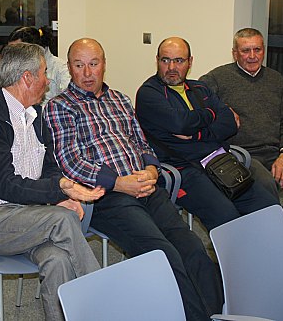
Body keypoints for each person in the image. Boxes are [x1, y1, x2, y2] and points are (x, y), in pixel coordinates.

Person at [44, 38, 223, 321]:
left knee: (192, 247)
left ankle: (217, 315)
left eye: (94, 64)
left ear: (104, 65)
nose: (87, 73)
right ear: (69, 67)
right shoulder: (60, 107)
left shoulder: (119, 99)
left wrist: (151, 170)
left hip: (145, 186)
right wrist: (118, 182)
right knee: (163, 254)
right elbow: (70, 161)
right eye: (79, 66)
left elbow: (142, 144)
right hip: (107, 197)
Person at [0, 43, 104, 321]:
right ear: (27, 78)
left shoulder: (35, 115)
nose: (48, 81)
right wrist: (58, 190)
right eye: (44, 73)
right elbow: (5, 185)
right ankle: (104, 304)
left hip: (27, 216)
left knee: (58, 259)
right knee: (62, 220)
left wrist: (59, 194)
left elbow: (49, 167)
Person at [200, 27, 283, 238]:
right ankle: (270, 236)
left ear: (264, 50)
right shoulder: (218, 77)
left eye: (257, 49)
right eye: (245, 51)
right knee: (266, 185)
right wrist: (221, 110)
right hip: (240, 154)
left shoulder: (275, 79)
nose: (252, 56)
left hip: (275, 151)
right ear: (235, 53)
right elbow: (195, 99)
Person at [136, 37, 277, 231]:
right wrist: (211, 114)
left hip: (218, 161)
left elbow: (229, 123)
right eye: (165, 60)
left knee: (268, 207)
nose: (171, 67)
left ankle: (260, 248)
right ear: (157, 60)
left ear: (190, 62)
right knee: (227, 216)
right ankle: (232, 250)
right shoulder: (149, 93)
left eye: (179, 60)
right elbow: (181, 124)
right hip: (183, 168)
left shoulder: (200, 88)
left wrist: (197, 134)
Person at [7, 26, 70, 102]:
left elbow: (66, 102)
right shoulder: (15, 69)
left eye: (16, 51)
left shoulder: (62, 70)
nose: (12, 56)